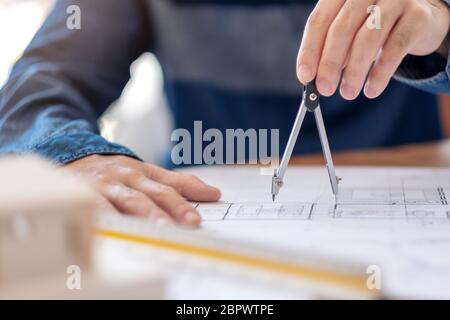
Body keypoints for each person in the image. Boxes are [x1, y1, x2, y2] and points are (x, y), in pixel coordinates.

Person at [0, 0, 449, 226]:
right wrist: (72, 154)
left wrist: (442, 24)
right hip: (200, 216)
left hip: (399, 212)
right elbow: (43, 81)